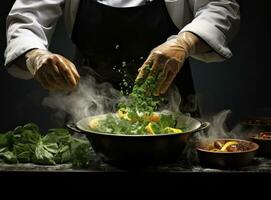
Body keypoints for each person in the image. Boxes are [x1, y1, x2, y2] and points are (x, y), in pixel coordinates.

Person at [4, 0, 240, 116]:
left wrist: (184, 41)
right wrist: (34, 55)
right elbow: (26, 16)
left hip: (174, 112)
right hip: (86, 109)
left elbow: (221, 7)